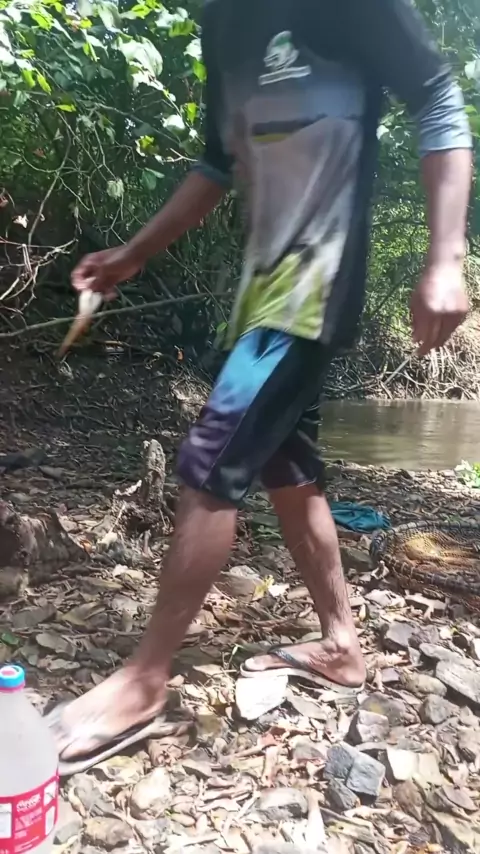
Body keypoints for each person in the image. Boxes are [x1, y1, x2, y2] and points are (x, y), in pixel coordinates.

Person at [49, 0, 472, 769]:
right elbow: (217, 163)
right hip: (259, 293)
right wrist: (133, 253)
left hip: (317, 290)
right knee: (288, 466)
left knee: (211, 459)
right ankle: (341, 645)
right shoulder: (224, 23)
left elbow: (438, 99)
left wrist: (445, 257)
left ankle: (143, 681)